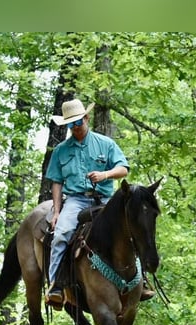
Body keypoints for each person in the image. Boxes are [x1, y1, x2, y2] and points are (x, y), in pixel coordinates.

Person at [44, 98, 132, 309]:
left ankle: (140, 280)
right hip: (76, 199)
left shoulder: (106, 144)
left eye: (78, 123)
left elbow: (124, 169)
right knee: (61, 234)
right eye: (70, 125)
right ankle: (56, 285)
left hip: (104, 199)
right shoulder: (61, 151)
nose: (75, 128)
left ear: (86, 118)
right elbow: (56, 182)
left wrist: (105, 175)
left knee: (131, 230)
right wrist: (56, 211)